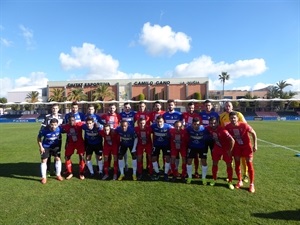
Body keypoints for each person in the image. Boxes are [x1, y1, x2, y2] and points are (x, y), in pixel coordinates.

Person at [225, 112, 257, 193]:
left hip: (247, 147)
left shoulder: (244, 125)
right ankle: (240, 181)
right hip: (237, 147)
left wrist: (255, 145)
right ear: (229, 119)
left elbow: (253, 133)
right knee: (237, 163)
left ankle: (251, 184)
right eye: (231, 118)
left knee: (249, 164)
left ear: (237, 118)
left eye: (234, 118)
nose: (233, 119)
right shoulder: (228, 127)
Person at [219, 101, 249, 183]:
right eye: (226, 106)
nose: (228, 107)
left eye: (229, 106)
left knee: (243, 158)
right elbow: (222, 129)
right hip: (229, 141)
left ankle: (245, 174)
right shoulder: (222, 116)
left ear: (232, 107)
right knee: (230, 158)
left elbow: (245, 125)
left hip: (240, 140)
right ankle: (230, 175)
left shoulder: (238, 114)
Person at [206, 117, 235, 190]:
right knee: (214, 163)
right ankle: (214, 179)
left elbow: (232, 140)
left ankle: (230, 182)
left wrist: (230, 150)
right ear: (209, 123)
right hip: (217, 147)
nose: (213, 125)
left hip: (226, 148)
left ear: (217, 123)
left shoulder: (223, 130)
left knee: (228, 164)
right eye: (211, 123)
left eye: (214, 123)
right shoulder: (208, 128)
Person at [37, 118, 63, 184]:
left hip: (55, 147)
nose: (53, 126)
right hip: (46, 146)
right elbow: (38, 138)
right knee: (44, 160)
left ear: (57, 125)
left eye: (55, 125)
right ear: (49, 124)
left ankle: (58, 175)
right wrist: (41, 147)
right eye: (52, 125)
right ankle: (44, 177)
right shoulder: (44, 130)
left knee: (58, 159)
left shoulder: (60, 129)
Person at [41, 104, 64, 177]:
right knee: (48, 156)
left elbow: (64, 127)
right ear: (51, 109)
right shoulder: (47, 117)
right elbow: (43, 127)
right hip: (48, 138)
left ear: (58, 109)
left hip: (57, 139)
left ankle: (55, 170)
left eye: (56, 108)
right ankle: (47, 171)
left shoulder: (62, 116)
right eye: (53, 108)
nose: (55, 110)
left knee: (57, 155)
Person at [186, 117, 210, 184]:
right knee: (189, 161)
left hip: (202, 147)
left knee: (203, 162)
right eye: (194, 124)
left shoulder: (204, 129)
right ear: (192, 124)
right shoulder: (188, 128)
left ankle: (203, 178)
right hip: (192, 147)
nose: (196, 126)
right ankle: (190, 177)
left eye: (197, 124)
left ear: (200, 124)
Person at [61, 115, 86, 180]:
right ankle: (70, 172)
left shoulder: (79, 124)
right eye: (70, 121)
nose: (71, 122)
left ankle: (81, 173)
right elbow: (57, 127)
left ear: (75, 120)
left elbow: (88, 123)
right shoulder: (66, 126)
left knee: (81, 156)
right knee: (67, 157)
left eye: (72, 120)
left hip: (79, 143)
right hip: (71, 143)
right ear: (68, 121)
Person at [150, 115, 173, 181]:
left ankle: (165, 173)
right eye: (158, 122)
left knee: (167, 158)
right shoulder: (153, 126)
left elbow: (175, 130)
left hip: (166, 145)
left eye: (160, 121)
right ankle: (157, 173)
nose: (159, 123)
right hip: (156, 145)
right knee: (153, 158)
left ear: (163, 121)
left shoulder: (168, 126)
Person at [182, 102, 201, 178]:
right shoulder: (184, 115)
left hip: (195, 137)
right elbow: (182, 124)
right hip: (186, 137)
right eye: (190, 108)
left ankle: (196, 171)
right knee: (187, 156)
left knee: (196, 156)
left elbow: (199, 126)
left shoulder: (197, 116)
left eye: (192, 108)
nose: (191, 109)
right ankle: (186, 171)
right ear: (187, 108)